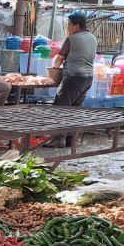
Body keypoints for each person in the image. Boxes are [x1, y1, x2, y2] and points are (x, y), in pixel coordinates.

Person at [45, 11, 98, 148]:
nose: (68, 27)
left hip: (73, 77)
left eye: (69, 24)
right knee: (75, 109)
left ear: (76, 25)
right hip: (88, 78)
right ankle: (71, 139)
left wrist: (54, 71)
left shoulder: (72, 39)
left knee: (60, 108)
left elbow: (60, 57)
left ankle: (58, 139)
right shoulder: (92, 38)